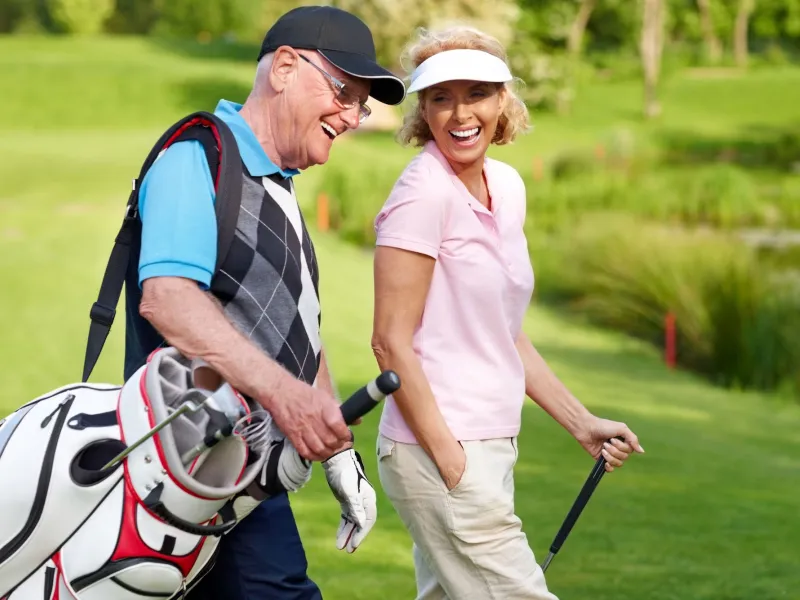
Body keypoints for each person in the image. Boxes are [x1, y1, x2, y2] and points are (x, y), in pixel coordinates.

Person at [126, 6, 406, 600]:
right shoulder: (196, 158)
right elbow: (169, 300)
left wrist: (337, 453)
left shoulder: (274, 184)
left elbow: (295, 330)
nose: (354, 116)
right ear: (283, 68)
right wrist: (288, 399)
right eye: (344, 92)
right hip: (191, 466)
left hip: (239, 478)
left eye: (362, 104)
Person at [370, 25, 645, 600]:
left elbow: (504, 332)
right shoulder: (423, 195)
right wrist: (451, 461)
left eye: (476, 93)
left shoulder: (507, 185)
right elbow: (390, 344)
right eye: (440, 98)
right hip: (439, 447)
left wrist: (580, 422)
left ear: (503, 103)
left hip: (492, 444)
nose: (459, 112)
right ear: (423, 110)